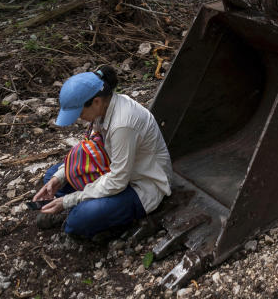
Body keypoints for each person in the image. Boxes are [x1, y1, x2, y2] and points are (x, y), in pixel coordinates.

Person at [32, 66, 173, 238]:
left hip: (141, 184)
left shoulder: (123, 124)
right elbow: (90, 146)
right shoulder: (103, 110)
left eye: (80, 112)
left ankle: (85, 215)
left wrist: (69, 200)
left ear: (96, 101)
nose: (79, 118)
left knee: (79, 221)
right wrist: (59, 178)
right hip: (114, 168)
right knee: (52, 176)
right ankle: (78, 206)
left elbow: (118, 180)